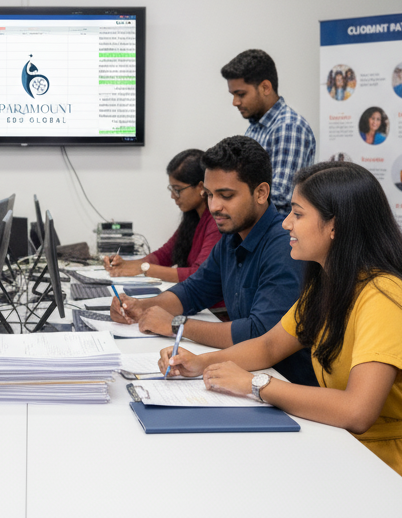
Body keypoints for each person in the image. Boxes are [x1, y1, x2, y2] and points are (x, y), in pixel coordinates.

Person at [159, 161, 402, 517]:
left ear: (335, 226)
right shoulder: (331, 284)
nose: (286, 224)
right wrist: (198, 363)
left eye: (297, 214)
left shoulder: (385, 297)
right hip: (360, 463)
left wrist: (255, 384)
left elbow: (357, 411)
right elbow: (269, 345)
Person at [110, 136, 317, 386]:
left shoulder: (284, 246)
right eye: (209, 195)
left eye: (226, 195)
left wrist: (176, 325)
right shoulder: (232, 238)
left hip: (287, 383)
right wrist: (141, 306)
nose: (214, 206)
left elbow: (260, 332)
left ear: (261, 193)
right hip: (252, 374)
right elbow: (194, 291)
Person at [103, 149, 220, 283]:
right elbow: (165, 255)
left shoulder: (216, 222)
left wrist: (143, 269)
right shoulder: (193, 217)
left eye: (177, 190)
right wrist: (125, 264)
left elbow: (199, 275)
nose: (172, 196)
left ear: (201, 187)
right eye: (171, 189)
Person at [222, 48, 315, 215]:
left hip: (279, 229)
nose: (235, 102)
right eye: (233, 95)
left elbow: (281, 197)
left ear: (265, 87)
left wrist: (229, 197)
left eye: (241, 94)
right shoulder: (255, 127)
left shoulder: (289, 127)